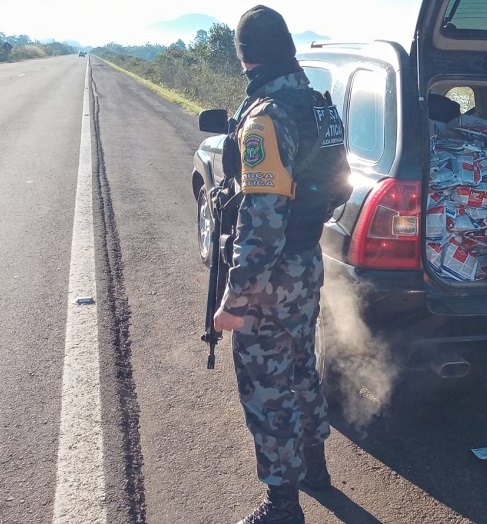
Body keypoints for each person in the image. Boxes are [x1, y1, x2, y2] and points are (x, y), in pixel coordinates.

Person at [213, 5, 351, 523]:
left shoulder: (266, 117)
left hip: (271, 275)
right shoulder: (320, 106)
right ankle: (315, 471)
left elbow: (262, 221)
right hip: (307, 263)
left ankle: (282, 505)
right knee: (300, 367)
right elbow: (339, 185)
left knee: (267, 385)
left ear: (245, 56)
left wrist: (236, 298)